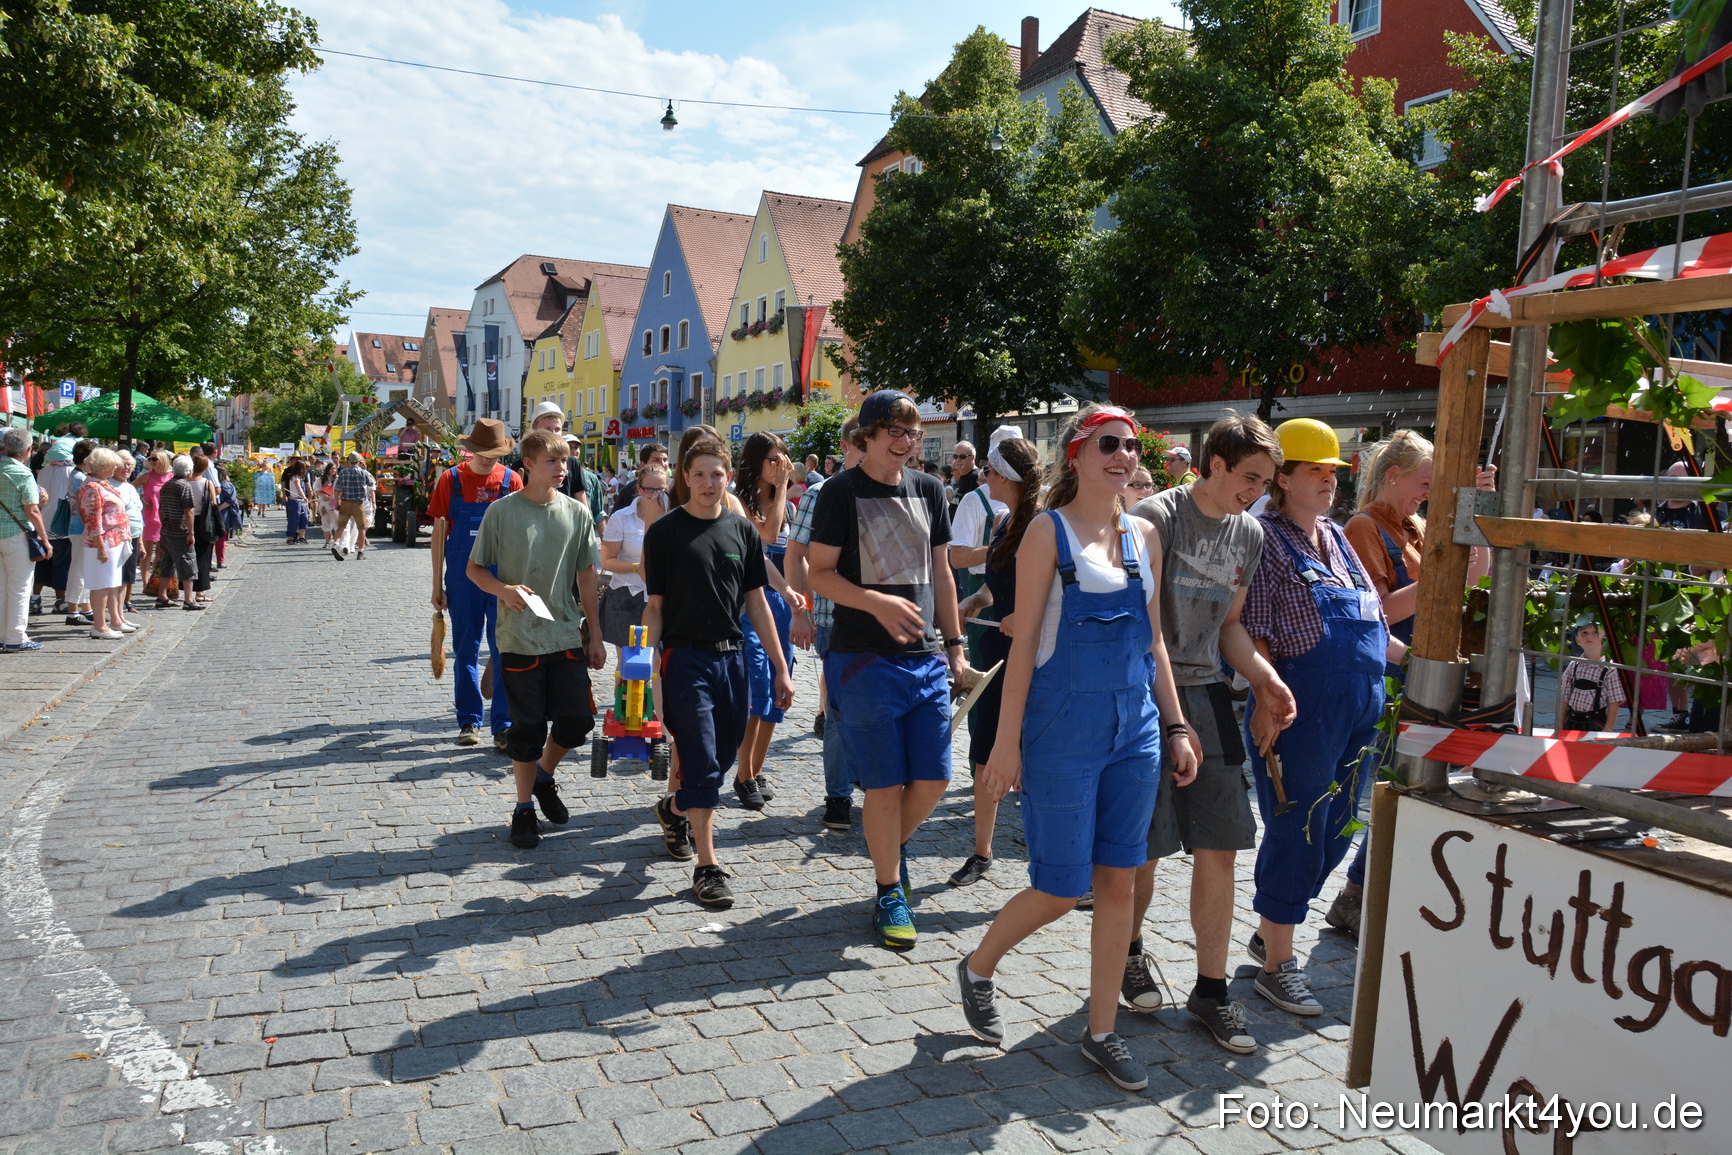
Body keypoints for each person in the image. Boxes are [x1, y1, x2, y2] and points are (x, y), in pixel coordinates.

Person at [956, 405, 1200, 1089]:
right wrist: (1006, 747)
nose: (1123, 455)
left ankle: (1101, 1032)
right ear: (1077, 454)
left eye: (1130, 445)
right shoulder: (1046, 532)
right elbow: (1025, 645)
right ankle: (978, 966)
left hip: (1136, 730)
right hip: (1062, 729)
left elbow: (1154, 642)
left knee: (1119, 880)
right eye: (1108, 445)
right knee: (1061, 887)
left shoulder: (1145, 535)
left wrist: (1176, 725)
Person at [1128, 411, 1295, 1055]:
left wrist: (1261, 677)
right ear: (1214, 465)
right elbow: (1140, 625)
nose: (1257, 491)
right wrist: (1168, 718)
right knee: (1143, 847)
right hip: (1148, 692)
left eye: (1267, 481)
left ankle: (1211, 989)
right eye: (1249, 477)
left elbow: (1230, 625)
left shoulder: (1249, 533)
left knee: (1221, 846)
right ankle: (1130, 951)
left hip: (1210, 697)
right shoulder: (1157, 517)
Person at [1241, 419, 1403, 1018]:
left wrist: (1428, 664)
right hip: (1299, 710)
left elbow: (1376, 625)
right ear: (1282, 478)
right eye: (1315, 471)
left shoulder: (1336, 537)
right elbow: (1251, 633)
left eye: (1334, 472)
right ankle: (1279, 963)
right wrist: (1265, 695)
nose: (1329, 482)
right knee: (1299, 828)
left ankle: (1272, 925)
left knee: (1338, 832)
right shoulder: (1263, 538)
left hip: (1362, 707)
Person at [808, 390, 966, 950]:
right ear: (867, 437)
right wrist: (875, 602)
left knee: (936, 778)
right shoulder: (839, 491)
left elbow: (942, 574)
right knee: (884, 783)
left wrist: (954, 643)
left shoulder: (929, 490)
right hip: (862, 658)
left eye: (913, 434)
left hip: (924, 658)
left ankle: (886, 850)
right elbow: (817, 573)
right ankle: (889, 887)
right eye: (895, 433)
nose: (906, 443)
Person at [1331, 430, 1494, 936]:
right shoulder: (1363, 527)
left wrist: (1479, 513)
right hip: (1391, 669)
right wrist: (1440, 579)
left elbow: (1472, 576)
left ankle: (1362, 890)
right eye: (1424, 482)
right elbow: (1375, 614)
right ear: (1394, 476)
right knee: (1388, 783)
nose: (1428, 491)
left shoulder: (1415, 525)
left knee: (1409, 781)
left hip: (1420, 666)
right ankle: (1355, 892)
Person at [642, 436, 794, 907]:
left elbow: (756, 603)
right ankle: (707, 868)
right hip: (685, 660)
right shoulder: (665, 533)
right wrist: (642, 668)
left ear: (728, 478)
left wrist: (781, 666)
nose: (709, 482)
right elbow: (654, 607)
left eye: (717, 474)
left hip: (733, 660)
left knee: (725, 758)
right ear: (685, 478)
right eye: (700, 474)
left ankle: (673, 807)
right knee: (704, 762)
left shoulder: (742, 531)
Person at [465, 430, 605, 850]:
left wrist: (595, 634)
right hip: (518, 636)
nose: (562, 468)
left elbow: (587, 576)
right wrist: (504, 591)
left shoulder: (576, 514)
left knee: (578, 721)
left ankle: (544, 775)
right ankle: (523, 808)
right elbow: (476, 570)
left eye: (564, 462)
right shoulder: (502, 513)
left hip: (564, 632)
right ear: (528, 464)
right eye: (552, 461)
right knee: (525, 728)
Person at [947, 432, 1040, 887]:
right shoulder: (1002, 522)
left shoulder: (1045, 523)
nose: (984, 476)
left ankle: (1058, 861)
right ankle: (981, 852)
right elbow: (997, 582)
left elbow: (1060, 593)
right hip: (1000, 654)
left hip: (1040, 660)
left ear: (1006, 477)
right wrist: (978, 601)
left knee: (1039, 756)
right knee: (985, 750)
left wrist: (1025, 617)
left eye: (989, 470)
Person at [787, 416, 864, 830]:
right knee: (838, 710)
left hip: (880, 620)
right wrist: (801, 610)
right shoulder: (821, 493)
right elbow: (794, 552)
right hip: (833, 619)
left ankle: (876, 785)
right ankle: (839, 796)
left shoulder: (896, 488)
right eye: (859, 443)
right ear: (846, 445)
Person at [430, 419, 523, 751]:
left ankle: (503, 725)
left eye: (493, 453)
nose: (487, 458)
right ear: (470, 450)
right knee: (465, 650)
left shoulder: (512, 481)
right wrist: (436, 584)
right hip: (461, 576)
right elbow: (439, 534)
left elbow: (521, 533)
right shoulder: (450, 480)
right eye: (481, 452)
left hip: (501, 577)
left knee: (502, 651)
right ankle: (469, 720)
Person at [732, 432, 806, 810]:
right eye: (772, 459)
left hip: (781, 601)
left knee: (782, 686)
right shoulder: (739, 502)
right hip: (751, 604)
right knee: (757, 688)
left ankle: (755, 770)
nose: (780, 466)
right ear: (756, 461)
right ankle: (742, 773)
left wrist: (800, 600)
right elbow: (768, 535)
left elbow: (791, 553)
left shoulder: (787, 504)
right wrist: (781, 491)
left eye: (783, 459)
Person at [0, 426, 50, 651]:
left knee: (2, 588)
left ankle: (3, 635)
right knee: (20, 588)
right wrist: (45, 539)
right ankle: (16, 637)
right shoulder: (22, 473)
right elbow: (32, 511)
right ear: (28, 450)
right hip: (17, 535)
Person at [76, 447, 133, 639]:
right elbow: (93, 520)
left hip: (112, 541)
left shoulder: (101, 484)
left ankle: (109, 623)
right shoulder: (92, 488)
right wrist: (100, 547)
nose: (116, 467)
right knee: (101, 585)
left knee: (108, 584)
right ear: (103, 466)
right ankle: (99, 626)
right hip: (101, 542)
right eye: (112, 464)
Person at [1557, 622, 1626, 732]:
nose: (1589, 636)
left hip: (1595, 724)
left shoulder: (1610, 669)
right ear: (1577, 640)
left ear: (1605, 639)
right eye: (1584, 633)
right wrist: (1559, 725)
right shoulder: (1574, 665)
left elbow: (1614, 703)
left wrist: (1607, 731)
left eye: (1595, 633)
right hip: (1570, 720)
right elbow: (1565, 697)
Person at [153, 456, 201, 610]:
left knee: (166, 563)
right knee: (187, 563)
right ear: (188, 471)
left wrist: (163, 524)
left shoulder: (167, 485)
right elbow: (188, 511)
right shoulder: (184, 486)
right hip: (179, 530)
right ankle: (189, 600)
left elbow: (160, 509)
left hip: (166, 529)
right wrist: (191, 532)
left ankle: (162, 596)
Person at [112, 452, 144, 616]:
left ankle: (122, 610)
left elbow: (138, 514)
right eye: (123, 464)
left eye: (130, 465)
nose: (127, 468)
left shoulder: (130, 487)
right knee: (117, 576)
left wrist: (142, 544)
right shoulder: (109, 485)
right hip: (118, 537)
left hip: (134, 535)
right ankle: (116, 613)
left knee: (128, 575)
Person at [138, 451, 171, 590]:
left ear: (162, 460)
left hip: (165, 517)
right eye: (150, 459)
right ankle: (145, 583)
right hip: (149, 517)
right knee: (146, 553)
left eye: (154, 459)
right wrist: (141, 501)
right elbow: (129, 489)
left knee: (161, 552)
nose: (151, 461)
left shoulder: (171, 477)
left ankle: (155, 581)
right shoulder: (146, 476)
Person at [333, 450, 375, 560]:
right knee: (361, 527)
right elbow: (371, 484)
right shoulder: (364, 473)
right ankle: (360, 551)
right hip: (358, 503)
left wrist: (337, 502)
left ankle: (336, 544)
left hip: (345, 502)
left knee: (341, 526)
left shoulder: (342, 473)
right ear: (359, 461)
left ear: (349, 461)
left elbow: (337, 489)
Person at [614, 442, 670, 512]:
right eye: (656, 460)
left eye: (665, 460)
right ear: (643, 464)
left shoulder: (675, 488)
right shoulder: (629, 491)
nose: (663, 464)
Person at [215, 466, 241, 568]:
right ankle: (220, 561)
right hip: (223, 515)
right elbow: (231, 500)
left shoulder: (214, 484)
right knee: (221, 539)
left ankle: (216, 561)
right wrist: (219, 509)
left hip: (217, 514)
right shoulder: (227, 485)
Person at [282, 459, 311, 544]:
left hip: (301, 501)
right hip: (295, 501)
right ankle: (290, 538)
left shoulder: (301, 477)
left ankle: (301, 537)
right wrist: (304, 496)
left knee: (304, 519)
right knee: (294, 520)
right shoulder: (295, 477)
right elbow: (298, 488)